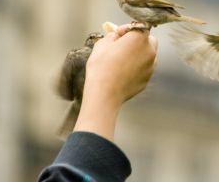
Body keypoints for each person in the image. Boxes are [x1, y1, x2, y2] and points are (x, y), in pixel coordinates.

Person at [38, 24, 158, 182]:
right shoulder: (78, 55)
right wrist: (107, 90)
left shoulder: (105, 54)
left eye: (98, 37)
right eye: (91, 38)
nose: (96, 40)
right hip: (84, 100)